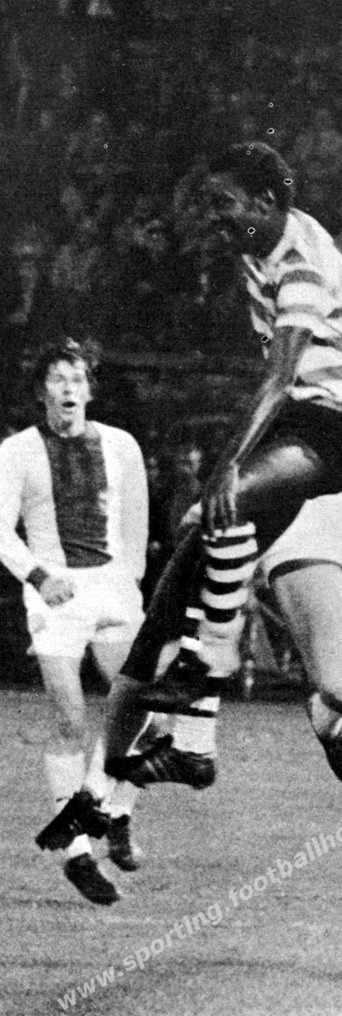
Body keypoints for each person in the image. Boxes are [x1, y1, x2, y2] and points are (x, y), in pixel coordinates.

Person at [38, 142, 342, 855]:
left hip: (313, 523)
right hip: (270, 481)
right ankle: (103, 799)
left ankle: (326, 718)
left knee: (340, 687)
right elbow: (331, 257)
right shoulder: (310, 294)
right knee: (162, 635)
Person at [0, 338, 150, 904]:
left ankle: (117, 813)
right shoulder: (17, 451)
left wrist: (129, 579)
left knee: (145, 709)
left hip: (111, 588)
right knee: (70, 719)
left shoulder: (121, 444)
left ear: (90, 390)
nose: (69, 388)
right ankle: (77, 853)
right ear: (42, 391)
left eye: (77, 379)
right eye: (58, 379)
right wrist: (39, 577)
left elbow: (136, 518)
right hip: (55, 593)